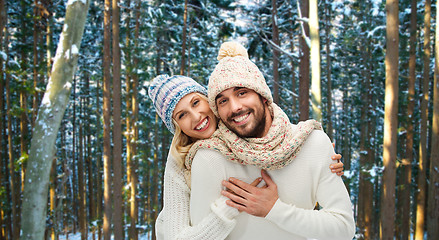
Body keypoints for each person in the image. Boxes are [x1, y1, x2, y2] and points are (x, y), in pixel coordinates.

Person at [186, 42, 356, 239]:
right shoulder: (210, 156)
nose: (234, 107)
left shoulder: (312, 143)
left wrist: (274, 210)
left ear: (264, 97)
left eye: (242, 93)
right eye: (223, 101)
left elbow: (343, 228)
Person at [148, 74, 345, 239]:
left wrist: (319, 152)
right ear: (177, 128)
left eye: (196, 103)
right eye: (182, 115)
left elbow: (279, 136)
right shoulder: (182, 161)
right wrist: (230, 207)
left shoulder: (243, 127)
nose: (196, 116)